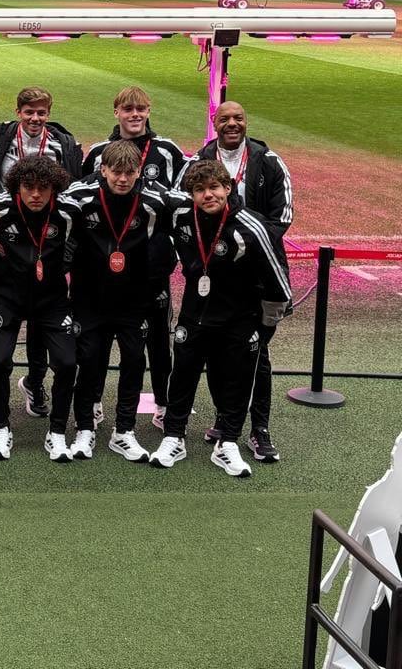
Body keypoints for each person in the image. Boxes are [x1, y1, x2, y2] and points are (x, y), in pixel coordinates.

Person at [148, 160, 291, 477]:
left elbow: (278, 283)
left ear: (228, 188)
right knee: (182, 376)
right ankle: (174, 436)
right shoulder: (181, 216)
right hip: (194, 315)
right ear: (191, 194)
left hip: (239, 319)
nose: (208, 195)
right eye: (199, 190)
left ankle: (228, 443)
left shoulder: (251, 227)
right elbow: (151, 195)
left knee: (237, 383)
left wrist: (264, 329)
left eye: (214, 188)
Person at [180, 100, 293, 462]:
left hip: (256, 276)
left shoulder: (269, 161)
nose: (232, 124)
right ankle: (225, 421)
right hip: (215, 278)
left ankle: (259, 429)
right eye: (224, 119)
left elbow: (282, 216)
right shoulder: (196, 162)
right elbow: (183, 211)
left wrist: (247, 240)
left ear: (246, 121)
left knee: (255, 355)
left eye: (238, 118)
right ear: (214, 123)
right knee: (215, 352)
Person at [81, 85, 186, 430]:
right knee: (98, 342)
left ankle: (163, 402)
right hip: (105, 267)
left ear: (149, 110)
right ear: (117, 113)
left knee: (158, 336)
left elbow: (183, 198)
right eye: (128, 109)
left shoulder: (168, 150)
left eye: (140, 109)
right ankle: (93, 402)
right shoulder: (98, 152)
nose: (135, 115)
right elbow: (86, 199)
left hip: (151, 268)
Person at [63, 141, 172, 462]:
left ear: (139, 172)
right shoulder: (81, 198)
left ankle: (124, 432)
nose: (122, 179)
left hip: (133, 302)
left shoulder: (153, 201)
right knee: (90, 362)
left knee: (134, 363)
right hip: (89, 299)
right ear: (103, 170)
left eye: (130, 173)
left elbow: (187, 205)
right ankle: (85, 429)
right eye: (116, 172)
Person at [0, 87, 83, 420]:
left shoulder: (64, 145)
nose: (35, 118)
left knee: (41, 324)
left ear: (48, 113)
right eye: (29, 112)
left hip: (45, 235)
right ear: (18, 111)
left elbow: (74, 193)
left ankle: (34, 384)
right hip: (8, 229)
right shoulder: (0, 135)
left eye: (41, 112)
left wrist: (61, 259)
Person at [0, 156, 81, 462]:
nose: (35, 194)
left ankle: (58, 433)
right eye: (28, 187)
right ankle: (1, 427)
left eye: (43, 188)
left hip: (50, 299)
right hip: (5, 297)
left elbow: (76, 251)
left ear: (54, 189)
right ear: (16, 187)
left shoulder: (68, 214)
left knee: (66, 363)